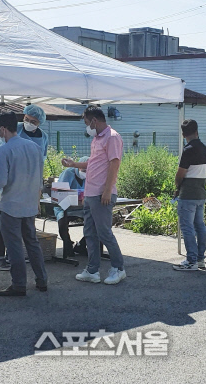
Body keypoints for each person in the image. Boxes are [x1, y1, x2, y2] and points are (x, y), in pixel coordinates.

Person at [0, 111, 48, 296]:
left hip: (11, 205)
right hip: (29, 203)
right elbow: (39, 180)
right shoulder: (34, 147)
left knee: (14, 246)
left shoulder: (4, 149)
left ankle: (19, 285)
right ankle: (42, 280)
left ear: (3, 129)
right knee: (32, 243)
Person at [62, 105, 126, 285]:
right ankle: (92, 270)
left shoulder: (112, 137)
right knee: (89, 232)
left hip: (101, 194)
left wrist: (107, 190)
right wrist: (74, 164)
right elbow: (93, 162)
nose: (86, 127)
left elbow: (114, 164)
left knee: (104, 233)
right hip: (91, 194)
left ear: (93, 121)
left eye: (86, 123)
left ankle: (118, 268)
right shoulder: (97, 139)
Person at [172, 119, 206, 271]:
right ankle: (200, 259)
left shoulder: (188, 149)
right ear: (197, 131)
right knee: (200, 226)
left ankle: (191, 261)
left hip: (188, 193)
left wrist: (177, 187)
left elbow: (180, 173)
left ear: (183, 134)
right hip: (201, 191)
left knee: (187, 227)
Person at [53, 157, 88, 258]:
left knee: (96, 220)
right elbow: (58, 194)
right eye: (84, 170)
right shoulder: (68, 173)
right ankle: (67, 244)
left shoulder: (91, 176)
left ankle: (81, 245)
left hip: (82, 207)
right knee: (62, 220)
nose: (85, 173)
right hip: (64, 206)